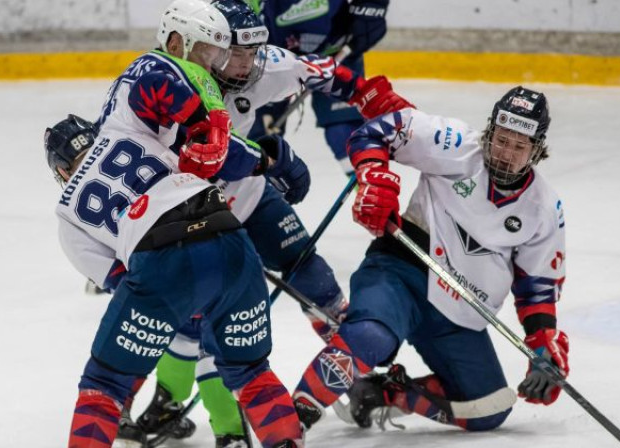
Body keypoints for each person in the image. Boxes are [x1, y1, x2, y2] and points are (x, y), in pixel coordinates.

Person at [116, 1, 412, 446]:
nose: (246, 65)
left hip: (253, 201)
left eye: (255, 52)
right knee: (197, 324)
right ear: (210, 46)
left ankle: (351, 373)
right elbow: (215, 153)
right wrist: (271, 158)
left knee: (317, 282)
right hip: (198, 218)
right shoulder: (168, 85)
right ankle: (173, 399)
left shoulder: (261, 62)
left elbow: (324, 70)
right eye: (236, 53)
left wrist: (375, 98)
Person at [49, 1, 306, 446]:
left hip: (163, 260)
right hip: (231, 240)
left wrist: (177, 308)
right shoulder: (135, 135)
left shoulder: (67, 216)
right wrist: (251, 150)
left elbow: (122, 281)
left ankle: (172, 403)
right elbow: (211, 155)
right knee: (252, 374)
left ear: (58, 172)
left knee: (104, 387)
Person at [289, 86, 570, 438]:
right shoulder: (455, 144)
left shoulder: (544, 209)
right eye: (501, 139)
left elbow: (537, 289)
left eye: (518, 146)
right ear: (490, 130)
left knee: (486, 409)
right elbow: (377, 131)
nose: (504, 154)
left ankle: (380, 391)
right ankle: (289, 421)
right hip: (401, 275)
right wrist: (375, 180)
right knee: (370, 337)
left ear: (537, 150)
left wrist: (543, 349)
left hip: (458, 314)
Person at [247, 0, 390, 174]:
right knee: (258, 141)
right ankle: (257, 198)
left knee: (345, 129)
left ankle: (374, 192)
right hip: (270, 52)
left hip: (338, 42)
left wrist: (374, 7)